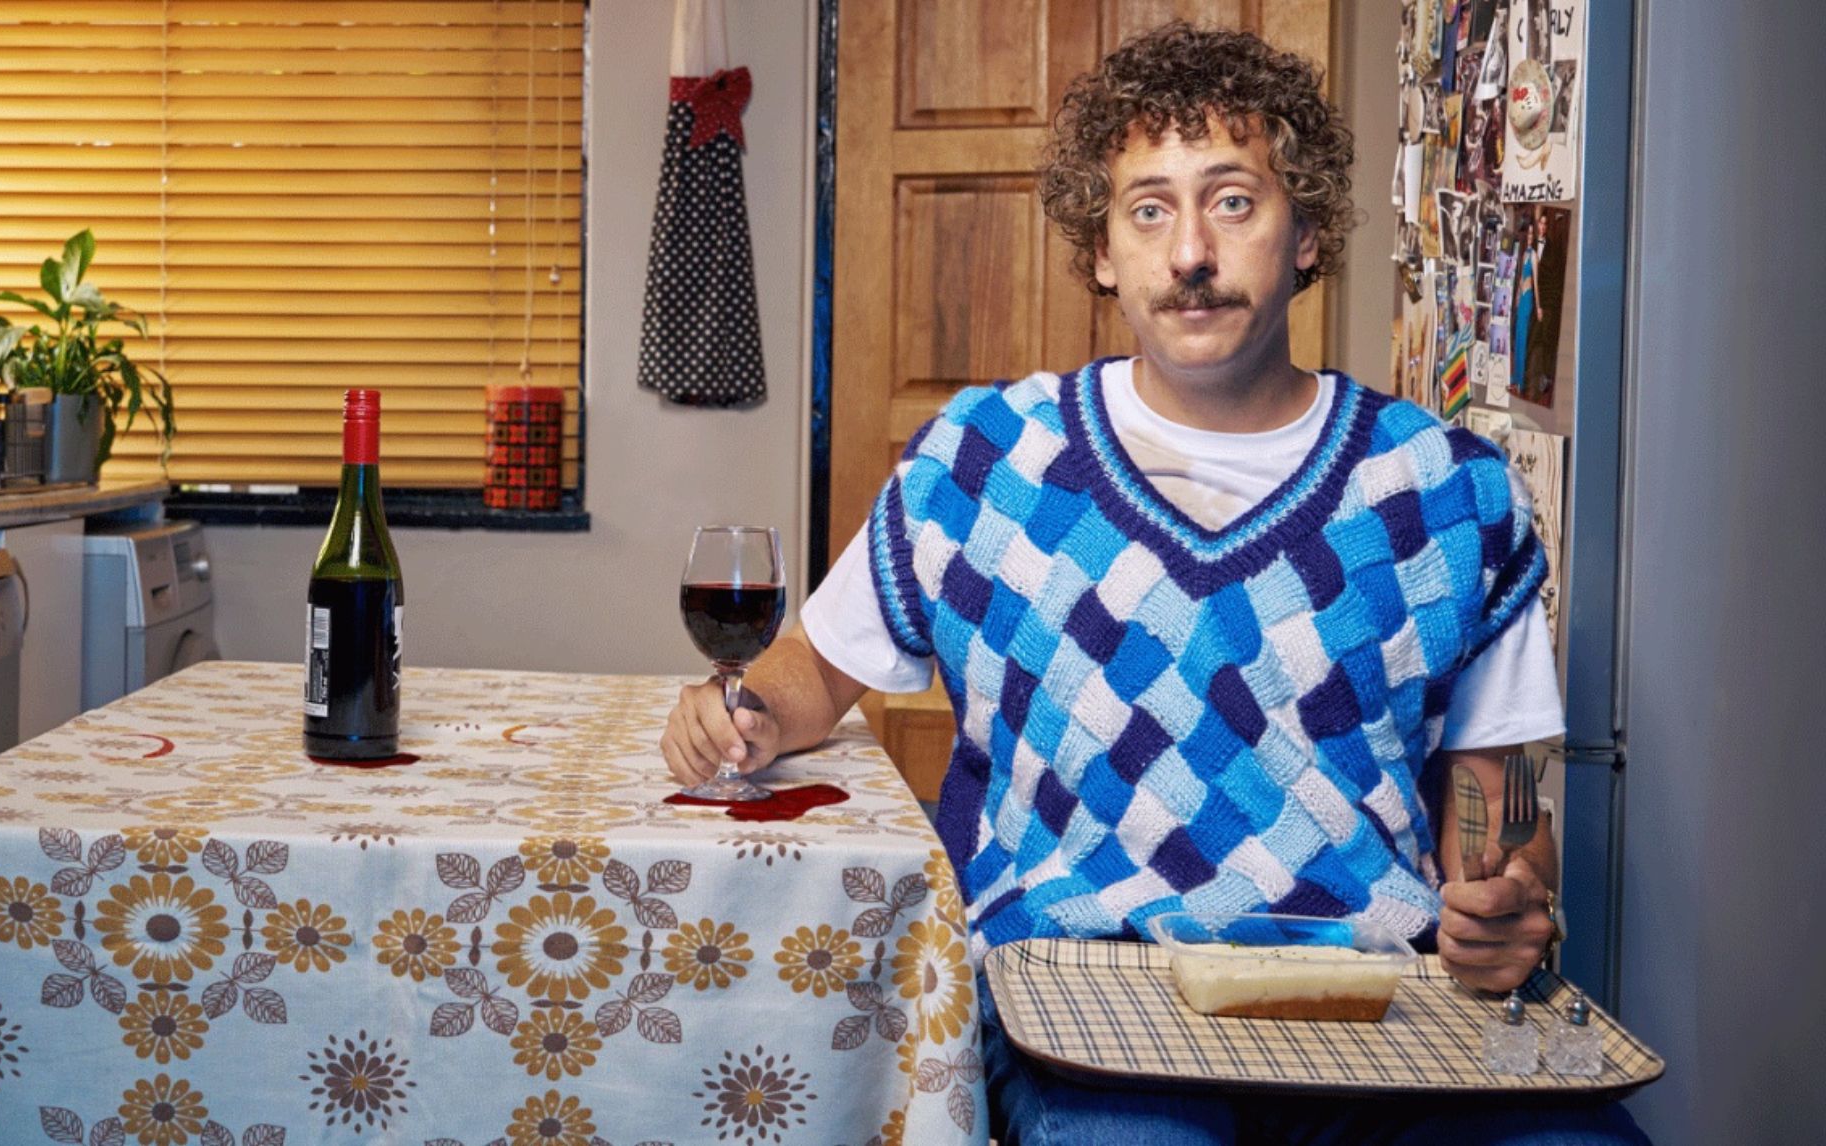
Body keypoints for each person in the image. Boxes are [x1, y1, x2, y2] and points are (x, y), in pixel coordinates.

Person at [661, 23, 1646, 1145]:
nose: (1189, 253)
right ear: (1101, 250)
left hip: (1376, 1008)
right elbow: (816, 668)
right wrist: (743, 710)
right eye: (1147, 210)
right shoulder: (988, 462)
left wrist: (1509, 901)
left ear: (1307, 231)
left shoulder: (1443, 491)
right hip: (1081, 1010)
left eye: (1232, 202)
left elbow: (1497, 808)